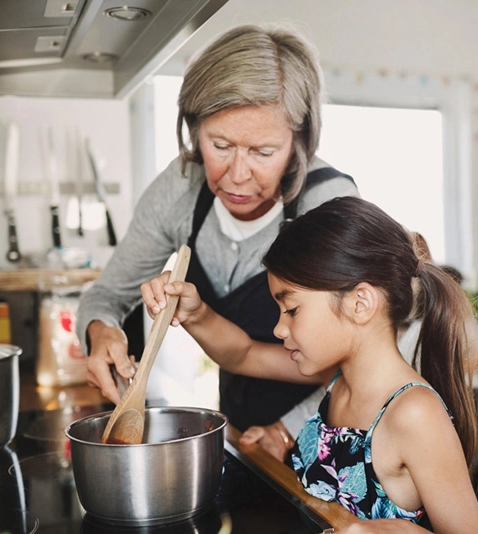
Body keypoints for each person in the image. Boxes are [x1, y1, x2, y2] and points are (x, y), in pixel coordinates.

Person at [76, 24, 359, 459]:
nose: (238, 175)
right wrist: (101, 332)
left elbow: (366, 356)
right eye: (220, 145)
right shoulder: (180, 189)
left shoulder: (327, 204)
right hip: (242, 434)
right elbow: (106, 296)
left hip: (333, 432)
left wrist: (291, 428)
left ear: (298, 140)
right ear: (195, 128)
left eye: (263, 152)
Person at [140, 196, 478, 533]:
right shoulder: (337, 379)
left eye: (292, 310)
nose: (279, 328)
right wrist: (196, 314)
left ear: (360, 304)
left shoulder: (414, 413)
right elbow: (243, 354)